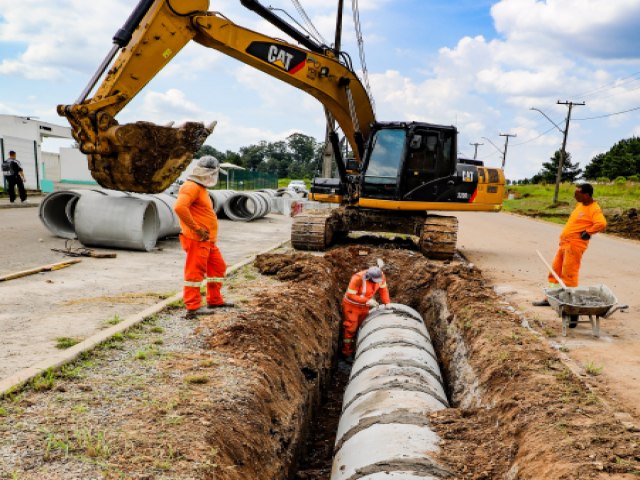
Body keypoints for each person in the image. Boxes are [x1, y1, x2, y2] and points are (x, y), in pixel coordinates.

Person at [174, 156, 234, 319]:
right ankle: (193, 307)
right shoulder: (191, 187)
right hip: (197, 239)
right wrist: (197, 229)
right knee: (195, 272)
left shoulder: (200, 188)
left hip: (207, 241)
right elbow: (180, 207)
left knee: (218, 267)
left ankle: (214, 299)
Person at [533, 183, 607, 306]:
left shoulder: (594, 208)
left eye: (578, 193)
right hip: (564, 244)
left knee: (569, 274)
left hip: (574, 245)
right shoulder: (580, 205)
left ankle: (569, 302)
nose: (575, 196)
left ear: (587, 195)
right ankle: (551, 298)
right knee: (555, 271)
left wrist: (588, 232)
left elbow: (601, 223)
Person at [341, 266, 391, 362]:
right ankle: (347, 352)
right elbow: (350, 295)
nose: (377, 282)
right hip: (352, 307)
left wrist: (387, 303)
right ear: (369, 277)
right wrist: (367, 300)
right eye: (374, 280)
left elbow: (383, 290)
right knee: (351, 329)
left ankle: (357, 346)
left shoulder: (381, 276)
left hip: (364, 306)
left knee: (362, 326)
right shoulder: (358, 279)